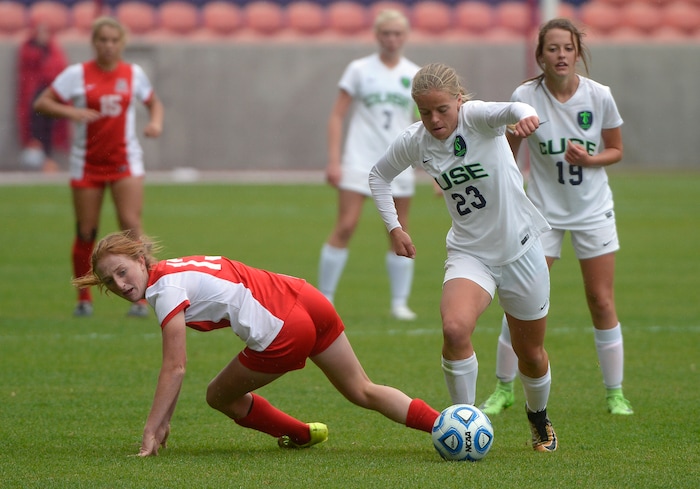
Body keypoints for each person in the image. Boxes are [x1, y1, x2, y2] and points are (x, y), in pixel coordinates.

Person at [72, 231, 442, 456]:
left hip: (284, 329)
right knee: (363, 389)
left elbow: (175, 366)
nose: (120, 285)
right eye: (109, 282)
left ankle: (297, 434)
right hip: (304, 295)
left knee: (219, 395)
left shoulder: (164, 290)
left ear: (140, 259)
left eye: (122, 271)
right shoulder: (172, 269)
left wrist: (152, 428)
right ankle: (445, 426)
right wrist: (165, 418)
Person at [369, 62, 558, 452]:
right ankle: (465, 422)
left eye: (442, 109)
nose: (434, 119)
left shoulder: (476, 118)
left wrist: (527, 117)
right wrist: (395, 227)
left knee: (531, 354)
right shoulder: (415, 140)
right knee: (455, 330)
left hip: (521, 250)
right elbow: (378, 175)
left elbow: (511, 110)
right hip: (471, 254)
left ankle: (539, 420)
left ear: (459, 100)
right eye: (425, 111)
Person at [479, 18, 633, 417]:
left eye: (567, 48)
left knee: (600, 300)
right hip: (542, 214)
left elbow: (616, 150)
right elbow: (505, 152)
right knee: (519, 298)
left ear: (578, 53)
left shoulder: (600, 97)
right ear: (540, 56)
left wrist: (591, 158)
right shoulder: (525, 95)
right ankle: (502, 388)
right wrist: (510, 154)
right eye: (553, 48)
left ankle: (615, 393)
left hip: (592, 210)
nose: (561, 55)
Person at [33, 16, 164, 318]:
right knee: (86, 231)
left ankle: (143, 296)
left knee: (132, 228)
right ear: (94, 43)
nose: (108, 45)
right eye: (102, 39)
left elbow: (154, 103)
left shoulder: (133, 74)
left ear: (122, 43)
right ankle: (84, 298)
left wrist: (155, 123)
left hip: (124, 161)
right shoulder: (76, 75)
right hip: (87, 163)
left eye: (113, 40)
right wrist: (72, 111)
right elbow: (43, 102)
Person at [319, 9, 420, 320]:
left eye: (397, 34)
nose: (391, 39)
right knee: (346, 225)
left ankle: (399, 303)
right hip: (359, 158)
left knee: (399, 230)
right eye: (386, 33)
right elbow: (337, 115)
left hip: (397, 162)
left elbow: (421, 123)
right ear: (377, 36)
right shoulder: (359, 69)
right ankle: (325, 299)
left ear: (405, 37)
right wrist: (335, 160)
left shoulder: (414, 74)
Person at [16, 22, 69, 172]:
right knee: (35, 126)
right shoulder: (28, 49)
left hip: (50, 95)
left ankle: (47, 159)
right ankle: (37, 157)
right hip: (34, 95)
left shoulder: (53, 50)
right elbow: (27, 72)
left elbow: (58, 70)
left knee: (49, 127)